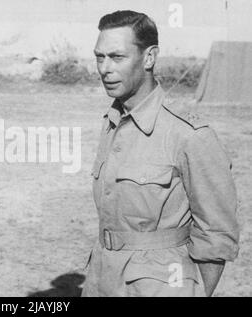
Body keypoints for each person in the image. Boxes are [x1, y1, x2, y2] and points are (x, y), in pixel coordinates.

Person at [82, 10, 239, 297]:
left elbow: (216, 234)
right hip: (101, 279)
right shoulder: (113, 122)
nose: (104, 68)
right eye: (99, 57)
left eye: (117, 57)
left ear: (150, 58)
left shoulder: (188, 134)